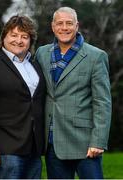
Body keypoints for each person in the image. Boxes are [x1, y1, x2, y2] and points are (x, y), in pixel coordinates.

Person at [35, 7, 111, 179]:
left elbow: (102, 102)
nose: (64, 27)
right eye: (60, 23)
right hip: (53, 141)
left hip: (84, 142)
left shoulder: (96, 56)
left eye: (69, 23)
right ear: (53, 26)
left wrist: (98, 141)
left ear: (77, 26)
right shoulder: (41, 53)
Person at [0, 15, 46, 179]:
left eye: (24, 37)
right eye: (14, 35)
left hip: (34, 149)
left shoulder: (36, 65)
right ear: (4, 36)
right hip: (5, 150)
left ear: (30, 41)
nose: (19, 40)